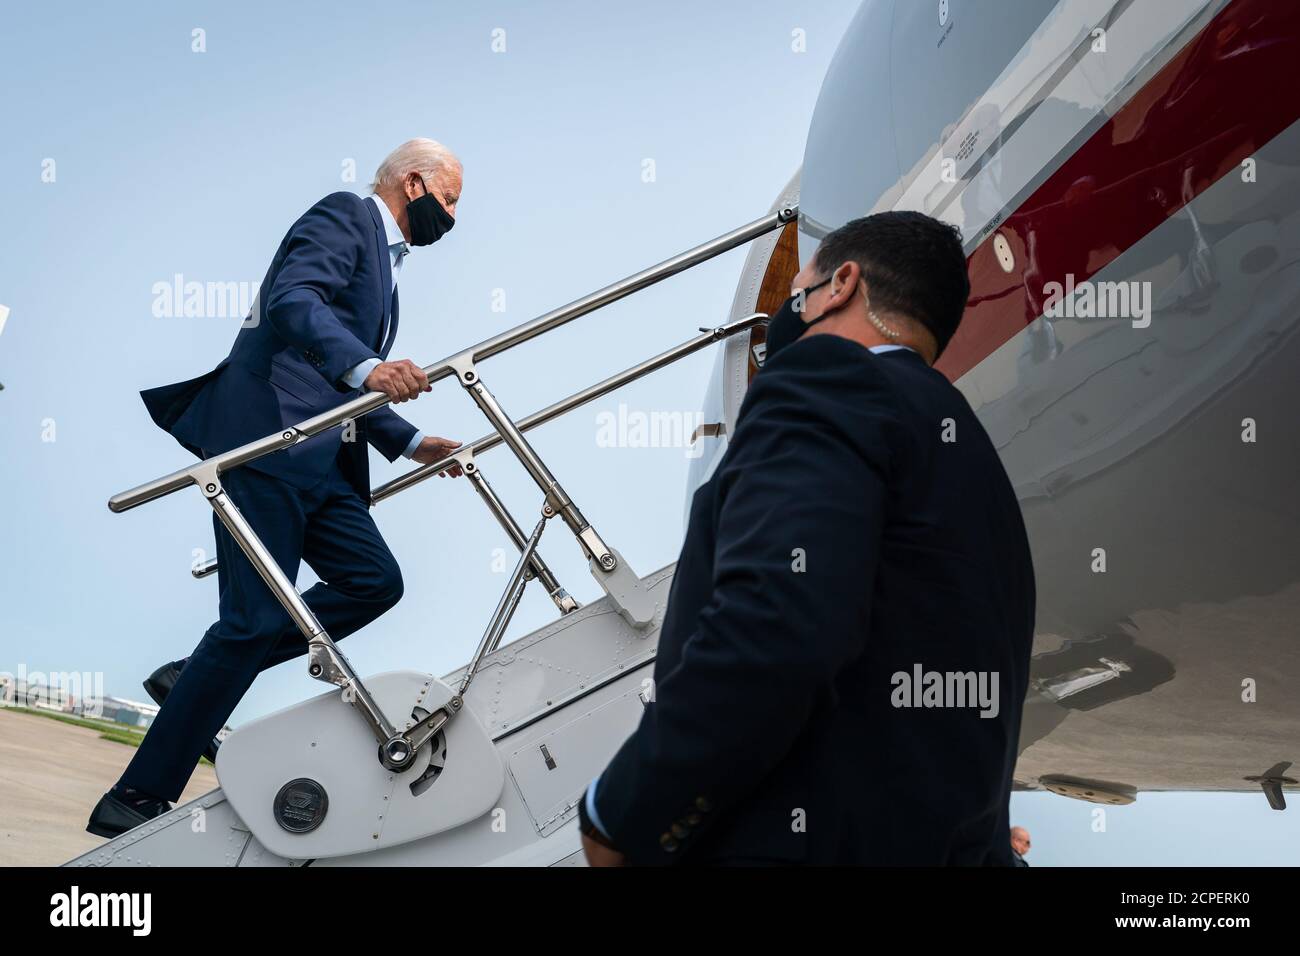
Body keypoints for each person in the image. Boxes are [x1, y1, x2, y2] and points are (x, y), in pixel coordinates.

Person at [578, 211, 1036, 865]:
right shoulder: (971, 455)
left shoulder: (826, 377)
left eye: (801, 287)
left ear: (841, 284)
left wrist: (621, 813)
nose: (792, 308)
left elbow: (778, 623)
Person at [87, 139, 466, 838]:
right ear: (414, 181)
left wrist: (409, 442)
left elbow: (340, 376)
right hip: (268, 439)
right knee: (253, 621)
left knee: (372, 581)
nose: (451, 217)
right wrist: (372, 366)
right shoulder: (345, 217)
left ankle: (189, 676)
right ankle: (135, 799)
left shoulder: (388, 270)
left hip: (325, 460)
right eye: (448, 200)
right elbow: (294, 303)